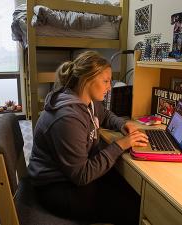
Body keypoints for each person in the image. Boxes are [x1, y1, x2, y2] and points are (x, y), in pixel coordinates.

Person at [27, 51, 149, 225]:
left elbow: (104, 114)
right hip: (56, 187)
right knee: (134, 208)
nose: (109, 87)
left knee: (128, 189)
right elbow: (81, 175)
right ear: (86, 79)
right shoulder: (67, 118)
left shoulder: (87, 101)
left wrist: (122, 125)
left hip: (70, 176)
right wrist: (120, 145)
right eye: (106, 81)